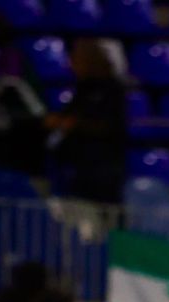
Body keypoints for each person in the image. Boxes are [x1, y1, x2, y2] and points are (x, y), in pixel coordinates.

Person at [45, 39, 127, 204]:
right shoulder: (84, 88)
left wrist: (74, 124)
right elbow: (68, 115)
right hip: (79, 165)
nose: (72, 64)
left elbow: (107, 125)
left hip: (104, 167)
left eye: (77, 59)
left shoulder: (112, 89)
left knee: (105, 214)